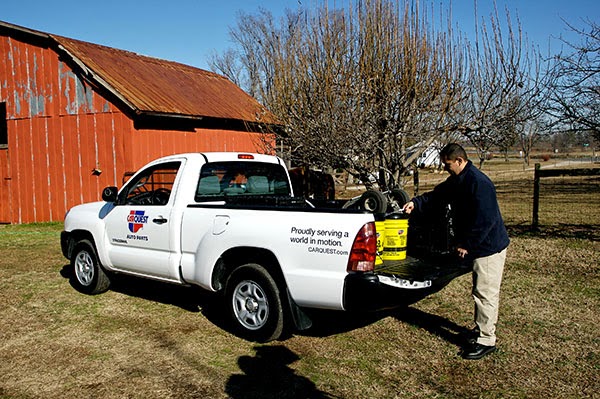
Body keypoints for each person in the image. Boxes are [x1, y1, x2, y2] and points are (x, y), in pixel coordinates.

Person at [402, 143, 510, 360]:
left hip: (488, 247)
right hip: (477, 245)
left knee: (485, 293)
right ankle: (480, 330)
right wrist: (416, 203)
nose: (445, 169)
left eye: (448, 165)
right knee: (480, 291)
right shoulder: (458, 181)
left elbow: (486, 220)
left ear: (460, 161)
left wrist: (467, 244)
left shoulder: (479, 183)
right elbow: (438, 196)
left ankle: (486, 339)